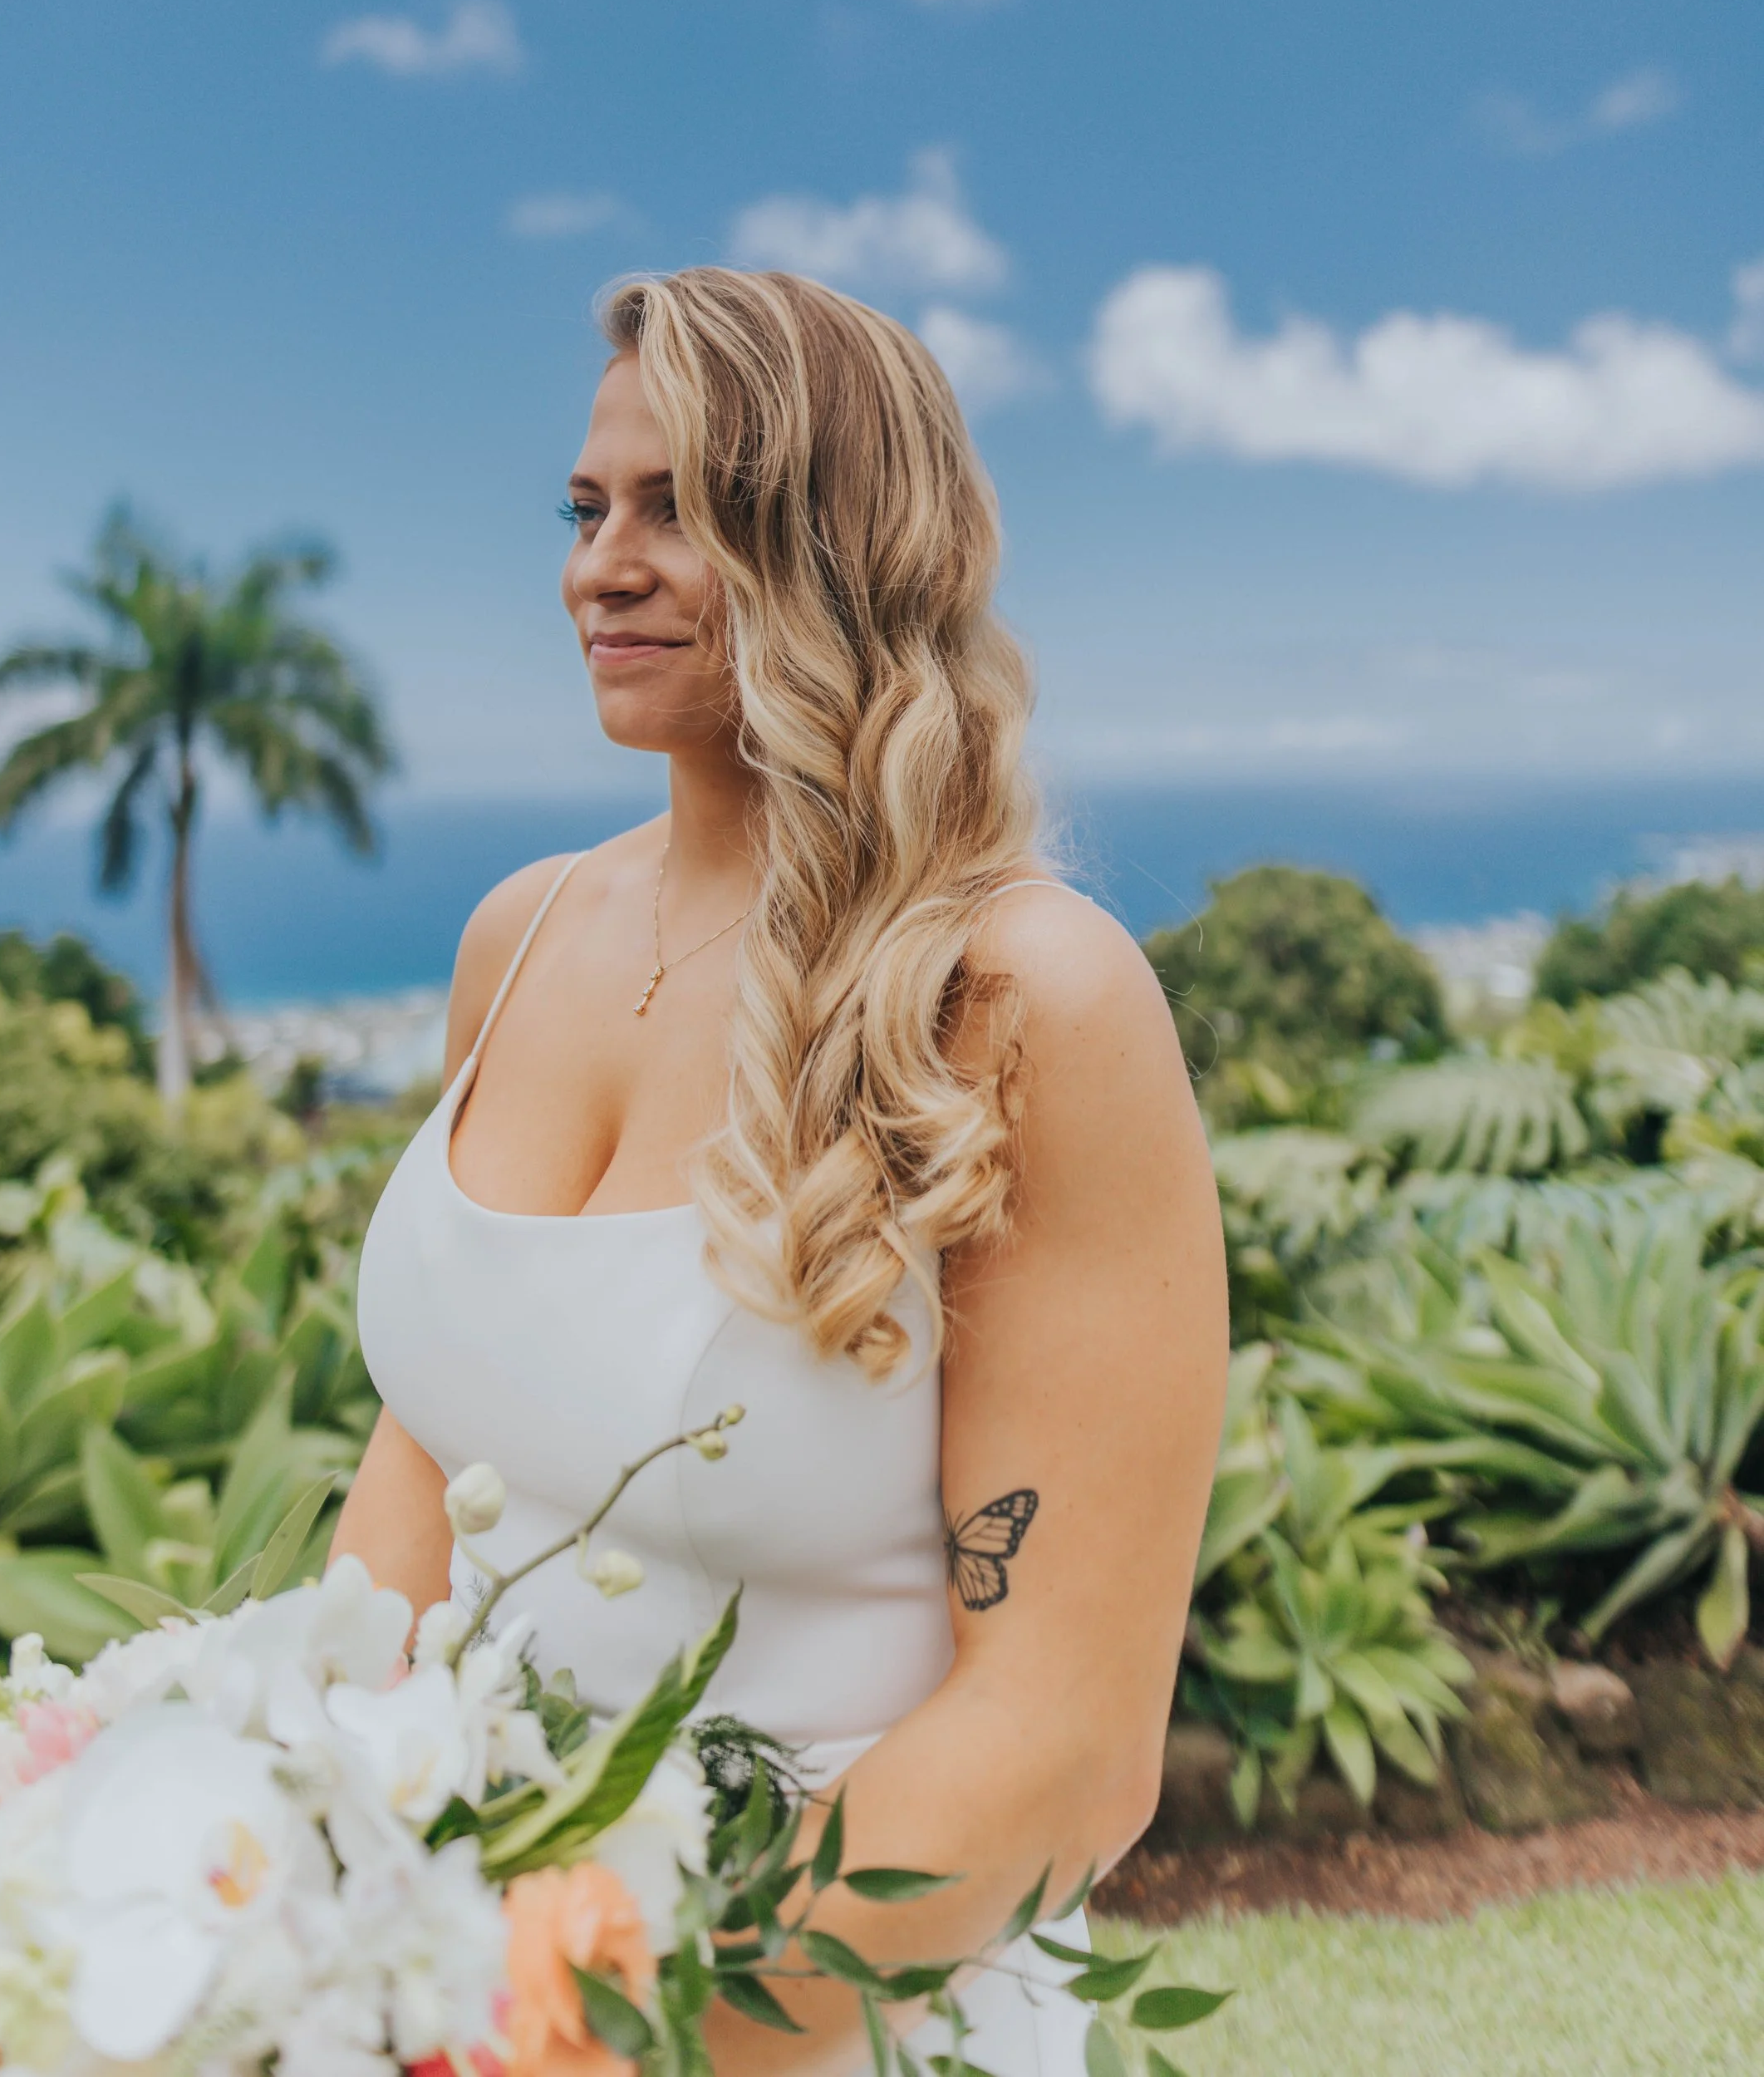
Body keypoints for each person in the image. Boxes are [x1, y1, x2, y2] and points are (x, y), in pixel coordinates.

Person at [334, 268, 1227, 2077]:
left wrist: (609, 2040)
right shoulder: (517, 936)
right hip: (452, 1993)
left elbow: (1066, 1744)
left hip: (822, 2014)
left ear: (841, 545)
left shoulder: (1017, 1002)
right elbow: (431, 1462)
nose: (602, 567)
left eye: (681, 510)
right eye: (586, 510)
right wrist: (288, 1878)